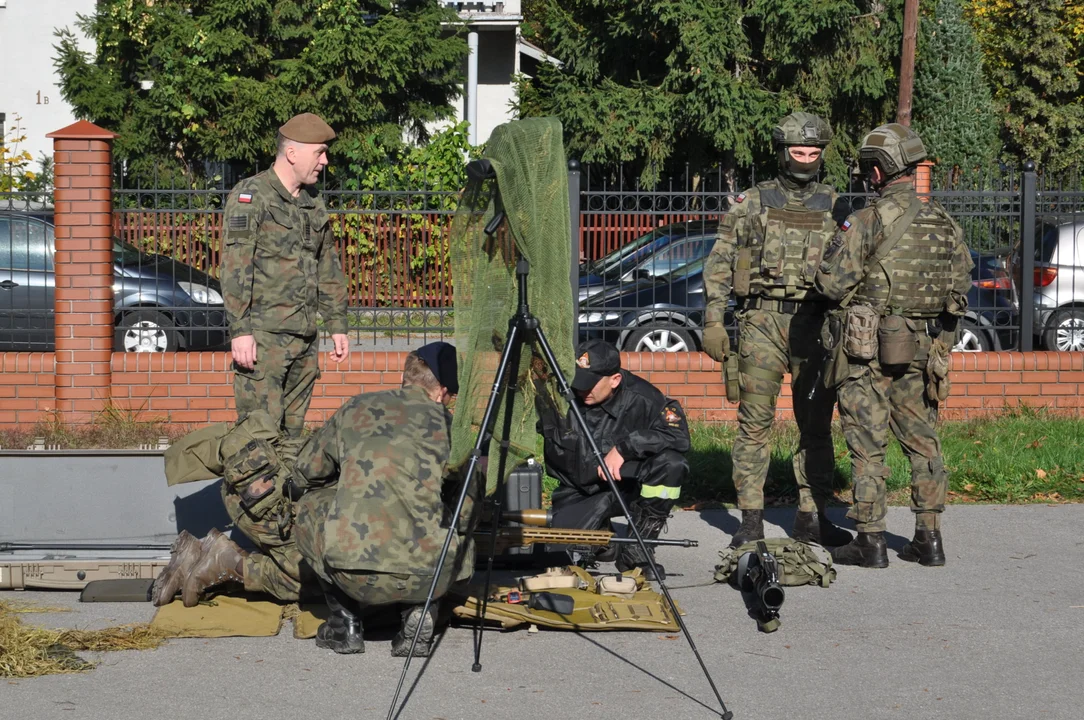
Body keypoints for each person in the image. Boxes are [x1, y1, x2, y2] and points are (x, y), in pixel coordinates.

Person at [814, 123, 972, 568]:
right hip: (923, 350)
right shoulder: (944, 223)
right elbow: (960, 287)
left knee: (868, 442)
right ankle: (929, 538)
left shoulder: (867, 220)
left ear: (879, 172)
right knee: (923, 441)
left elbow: (831, 283)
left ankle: (871, 540)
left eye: (869, 169)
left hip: (866, 353)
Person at [702, 112, 853, 549]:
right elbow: (719, 264)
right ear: (782, 152)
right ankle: (750, 522)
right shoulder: (750, 202)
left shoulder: (838, 203)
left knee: (817, 426)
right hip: (761, 324)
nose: (805, 159)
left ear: (822, 154)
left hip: (816, 325)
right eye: (797, 151)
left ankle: (812, 516)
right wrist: (713, 321)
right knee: (754, 424)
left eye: (813, 152)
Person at [286, 342, 474, 656]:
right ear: (442, 391)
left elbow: (306, 472)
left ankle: (345, 623)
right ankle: (418, 610)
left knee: (309, 505)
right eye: (452, 397)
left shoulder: (356, 407)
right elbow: (468, 512)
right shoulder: (452, 426)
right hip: (432, 574)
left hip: (353, 574)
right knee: (453, 520)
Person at [221, 112, 351, 438]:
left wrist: (337, 324)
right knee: (258, 438)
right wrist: (240, 330)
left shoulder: (313, 202)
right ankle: (251, 491)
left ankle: (286, 491)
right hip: (264, 340)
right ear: (292, 153)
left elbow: (327, 265)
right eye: (319, 152)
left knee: (292, 437)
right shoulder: (251, 196)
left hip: (304, 338)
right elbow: (236, 266)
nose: (325, 160)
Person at [536, 339, 689, 582]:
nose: (581, 389)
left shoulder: (643, 398)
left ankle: (638, 548)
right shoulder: (561, 394)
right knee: (554, 558)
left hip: (626, 489)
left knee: (672, 464)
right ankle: (605, 540)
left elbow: (679, 436)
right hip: (578, 490)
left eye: (590, 384)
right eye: (578, 381)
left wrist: (625, 447)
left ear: (615, 380)